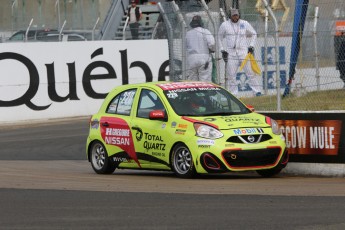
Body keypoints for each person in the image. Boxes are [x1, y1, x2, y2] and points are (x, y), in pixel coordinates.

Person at [218, 9, 262, 96]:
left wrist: (251, 45)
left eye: (236, 15)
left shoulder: (244, 23)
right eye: (233, 15)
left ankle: (257, 91)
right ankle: (234, 94)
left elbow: (254, 33)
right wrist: (222, 50)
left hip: (243, 52)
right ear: (230, 16)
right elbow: (219, 37)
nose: (235, 17)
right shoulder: (225, 25)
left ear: (239, 15)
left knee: (250, 72)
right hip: (231, 53)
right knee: (231, 75)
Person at [186, 15, 215, 82]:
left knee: (192, 80)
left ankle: (194, 92)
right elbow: (212, 44)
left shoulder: (188, 33)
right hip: (204, 57)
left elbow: (186, 46)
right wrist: (212, 50)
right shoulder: (205, 31)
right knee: (205, 80)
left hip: (191, 58)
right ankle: (205, 92)